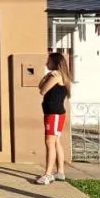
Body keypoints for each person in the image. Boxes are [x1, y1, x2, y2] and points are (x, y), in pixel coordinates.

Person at [36, 52, 73, 185]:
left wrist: (48, 77)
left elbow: (42, 90)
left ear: (56, 63)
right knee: (56, 141)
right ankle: (60, 172)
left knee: (49, 143)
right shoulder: (59, 75)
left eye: (49, 61)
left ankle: (48, 174)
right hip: (56, 113)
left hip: (54, 114)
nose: (47, 63)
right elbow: (40, 86)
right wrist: (46, 75)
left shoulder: (56, 76)